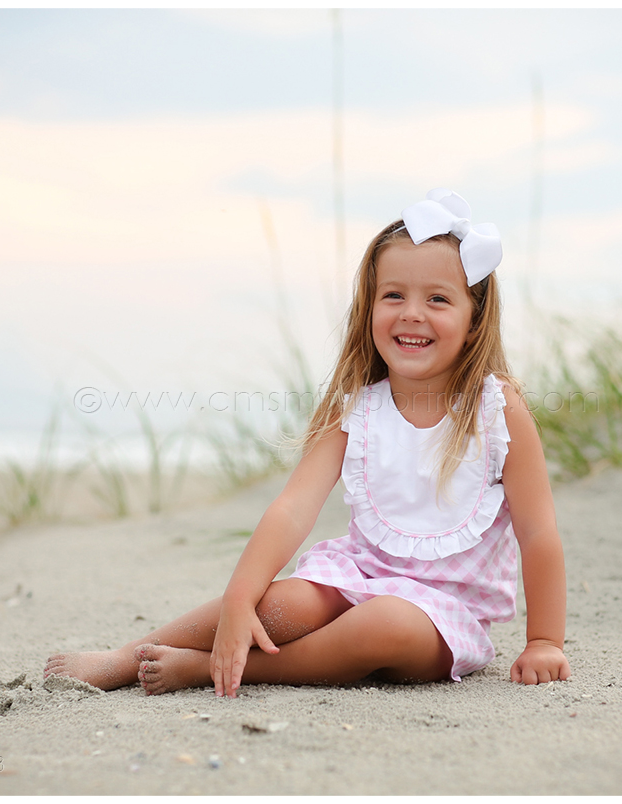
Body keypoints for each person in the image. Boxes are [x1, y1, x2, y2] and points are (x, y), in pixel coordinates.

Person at [45, 188, 571, 698]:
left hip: (439, 616)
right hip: (357, 576)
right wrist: (241, 600)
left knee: (383, 622)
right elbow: (293, 508)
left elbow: (538, 529)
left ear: (474, 319)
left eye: (437, 299)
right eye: (394, 295)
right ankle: (129, 655)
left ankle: (217, 670)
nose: (412, 313)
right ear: (369, 308)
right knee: (285, 601)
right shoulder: (359, 408)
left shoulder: (497, 410)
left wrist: (543, 640)